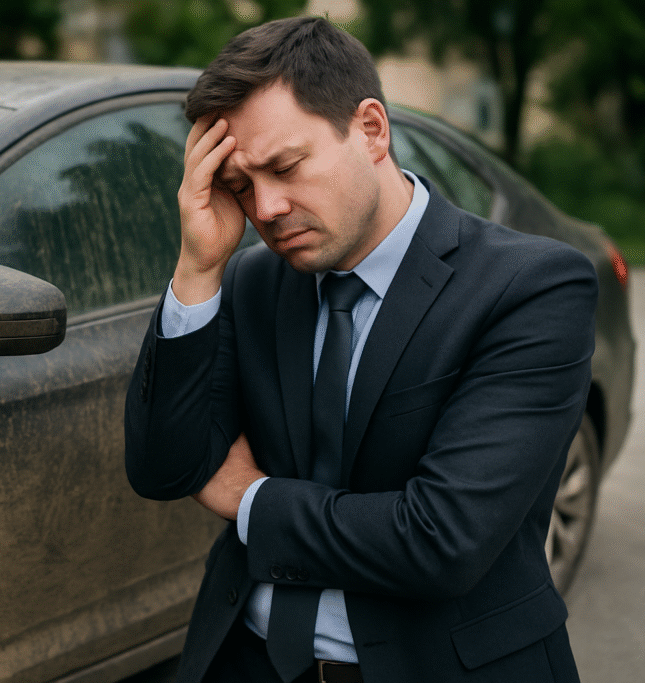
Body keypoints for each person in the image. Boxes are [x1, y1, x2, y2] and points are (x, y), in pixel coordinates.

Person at [124, 15, 595, 683]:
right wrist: (198, 269)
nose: (268, 207)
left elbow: (440, 540)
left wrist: (251, 498)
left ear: (371, 129)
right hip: (244, 659)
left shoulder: (531, 287)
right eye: (242, 185)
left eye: (286, 166)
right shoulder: (253, 280)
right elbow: (164, 470)